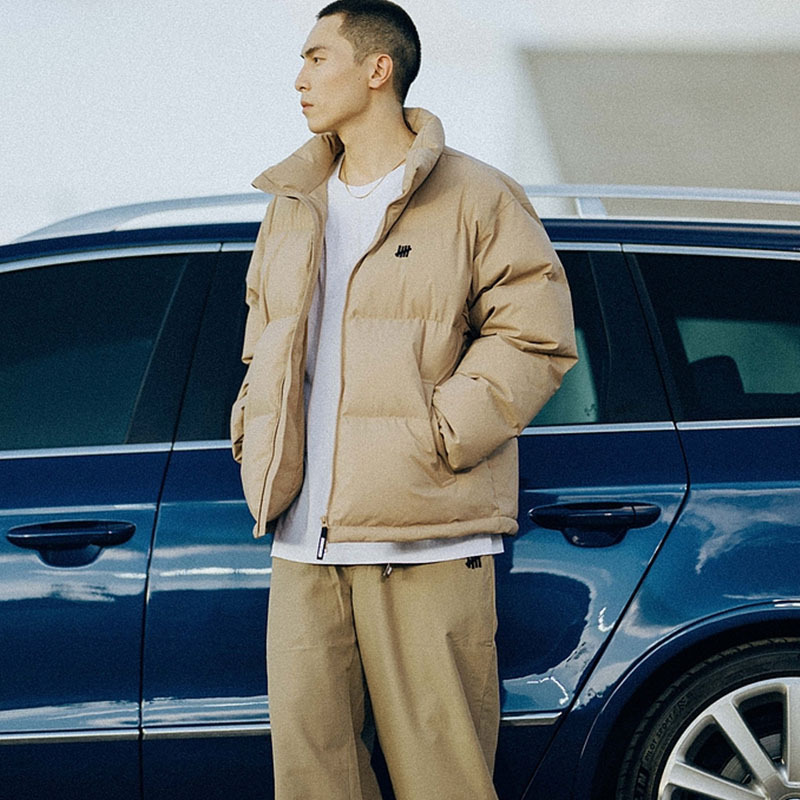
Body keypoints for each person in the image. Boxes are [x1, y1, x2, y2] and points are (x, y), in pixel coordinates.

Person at [230, 1, 577, 797]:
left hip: (424, 536)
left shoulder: (477, 195)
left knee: (443, 779)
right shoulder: (291, 205)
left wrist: (439, 433)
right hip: (303, 545)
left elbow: (535, 336)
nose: (299, 77)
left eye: (318, 57)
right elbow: (261, 345)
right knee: (312, 781)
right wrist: (256, 435)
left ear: (377, 69)